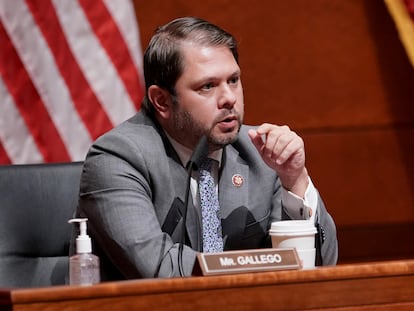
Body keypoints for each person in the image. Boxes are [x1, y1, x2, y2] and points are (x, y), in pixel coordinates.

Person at [71, 16, 338, 280]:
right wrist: (259, 264)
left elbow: (321, 265)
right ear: (161, 100)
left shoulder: (260, 152)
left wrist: (296, 180)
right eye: (208, 86)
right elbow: (159, 270)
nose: (229, 98)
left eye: (233, 80)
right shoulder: (118, 158)